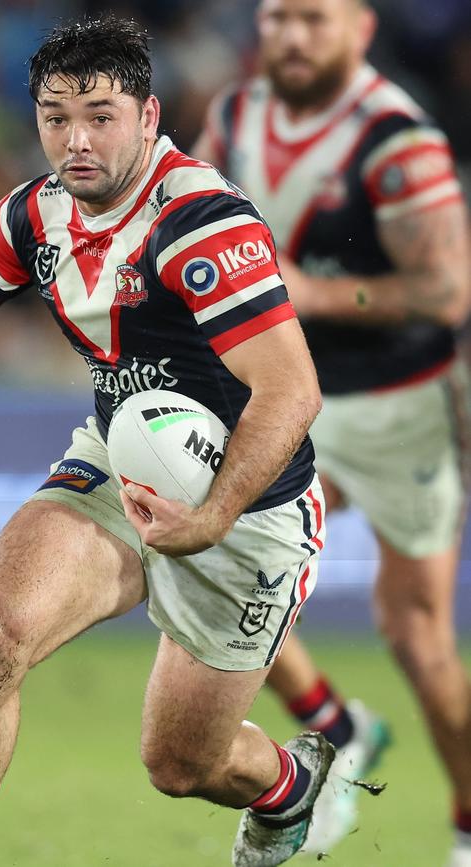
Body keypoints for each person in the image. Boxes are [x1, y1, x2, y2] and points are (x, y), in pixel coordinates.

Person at [0, 15, 336, 867]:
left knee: (181, 763)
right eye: (55, 117)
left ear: (149, 117)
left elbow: (293, 390)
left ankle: (287, 787)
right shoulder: (34, 216)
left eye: (101, 116)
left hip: (250, 507)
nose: (75, 141)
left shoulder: (200, 224)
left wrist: (215, 514)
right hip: (120, 461)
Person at [193, 0, 471, 861]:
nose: (290, 38)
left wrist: (311, 294)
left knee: (415, 634)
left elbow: (447, 292)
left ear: (358, 27)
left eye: (312, 19)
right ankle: (336, 724)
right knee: (206, 555)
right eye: (277, 18)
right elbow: (185, 219)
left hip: (398, 405)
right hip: (286, 394)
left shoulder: (397, 142)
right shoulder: (235, 115)